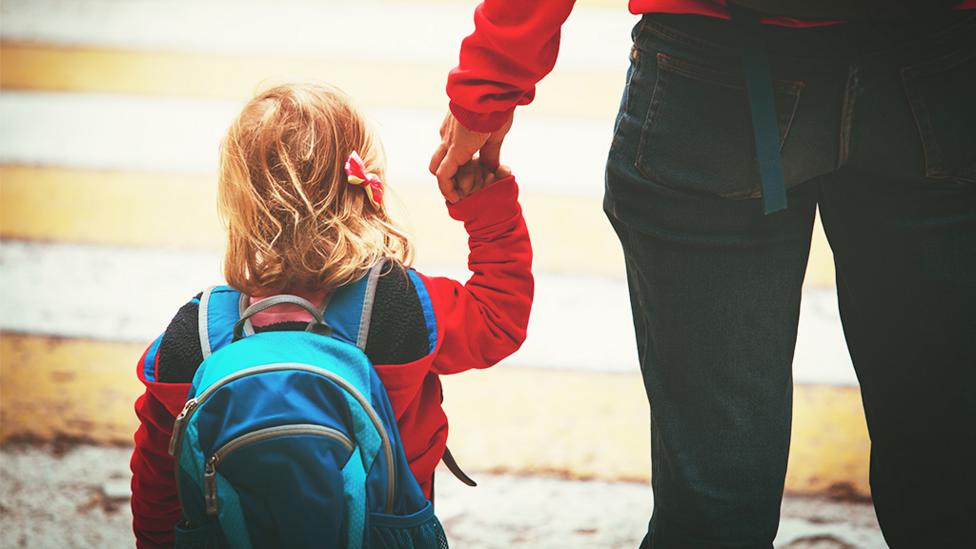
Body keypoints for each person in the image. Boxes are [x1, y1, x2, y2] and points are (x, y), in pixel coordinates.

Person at [431, 2, 976, 548]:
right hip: (940, 66)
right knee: (949, 468)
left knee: (717, 496)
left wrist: (489, 86)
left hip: (717, 66)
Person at [130, 83, 533, 548]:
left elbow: (158, 481)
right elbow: (500, 320)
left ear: (239, 202)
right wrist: (488, 209)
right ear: (361, 184)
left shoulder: (192, 337)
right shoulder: (396, 306)